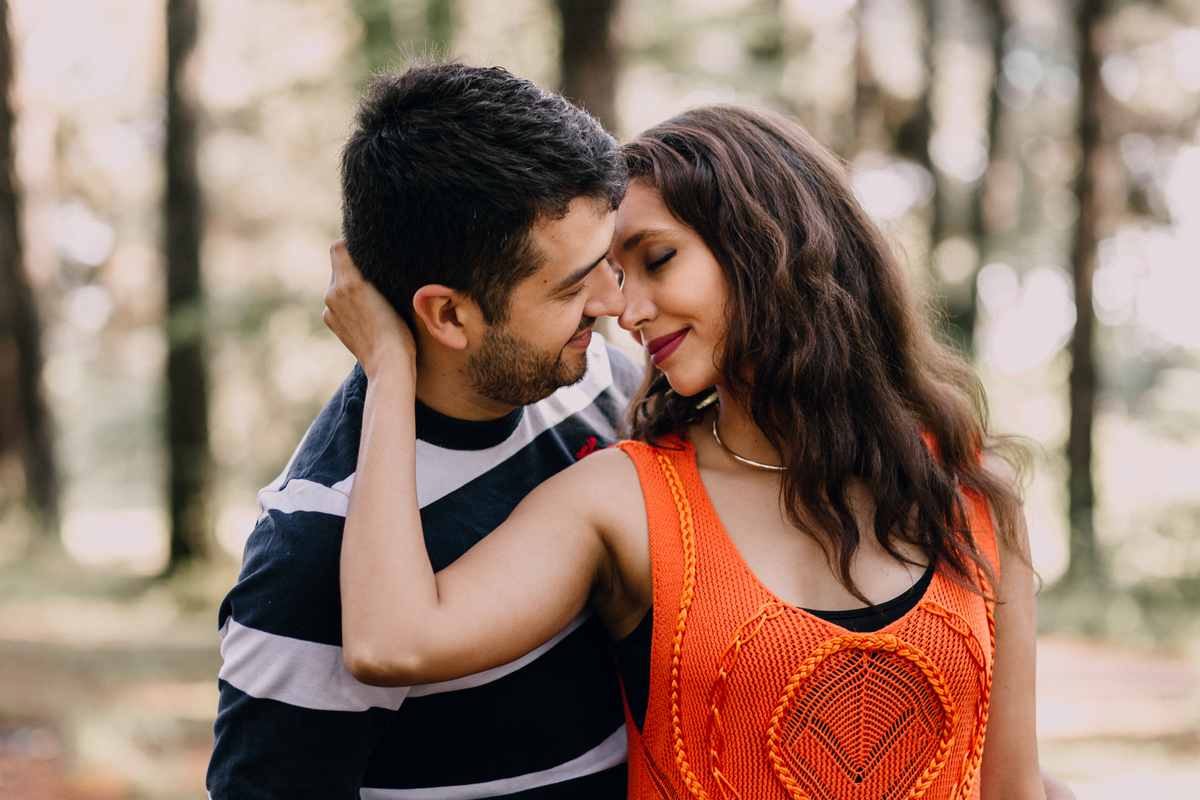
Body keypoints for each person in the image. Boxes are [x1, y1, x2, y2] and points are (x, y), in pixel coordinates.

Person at [323, 104, 1059, 799]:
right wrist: (390, 368)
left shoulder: (973, 495)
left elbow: (1012, 788)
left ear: (771, 241)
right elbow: (394, 641)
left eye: (658, 260)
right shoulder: (624, 502)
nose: (629, 311)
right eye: (616, 274)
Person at [206, 62, 646, 799]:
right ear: (447, 314)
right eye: (573, 285)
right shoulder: (317, 546)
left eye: (608, 265)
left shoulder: (598, 381)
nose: (614, 303)